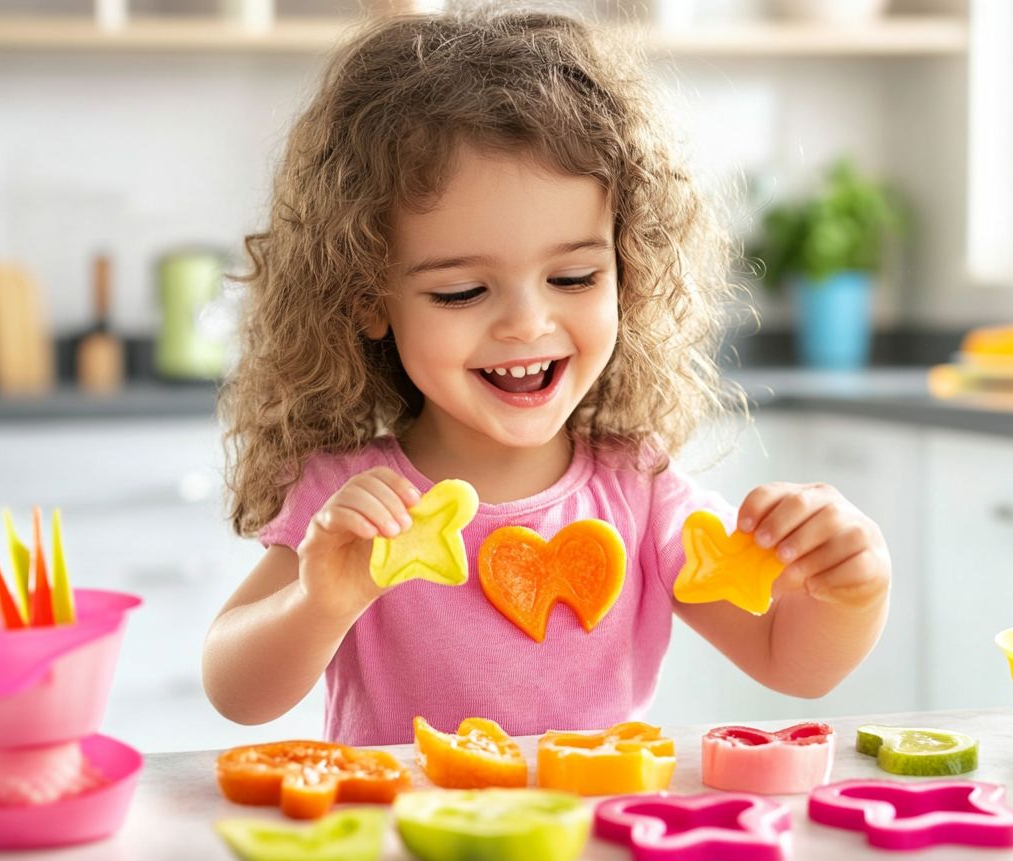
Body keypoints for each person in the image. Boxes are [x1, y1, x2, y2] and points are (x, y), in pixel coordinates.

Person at [202, 7, 891, 746]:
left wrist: (852, 591)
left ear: (626, 271)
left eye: (573, 276)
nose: (527, 325)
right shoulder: (351, 506)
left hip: (588, 852)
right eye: (462, 292)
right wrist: (318, 603)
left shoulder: (639, 490)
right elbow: (235, 690)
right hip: (408, 850)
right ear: (371, 299)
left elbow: (790, 660)